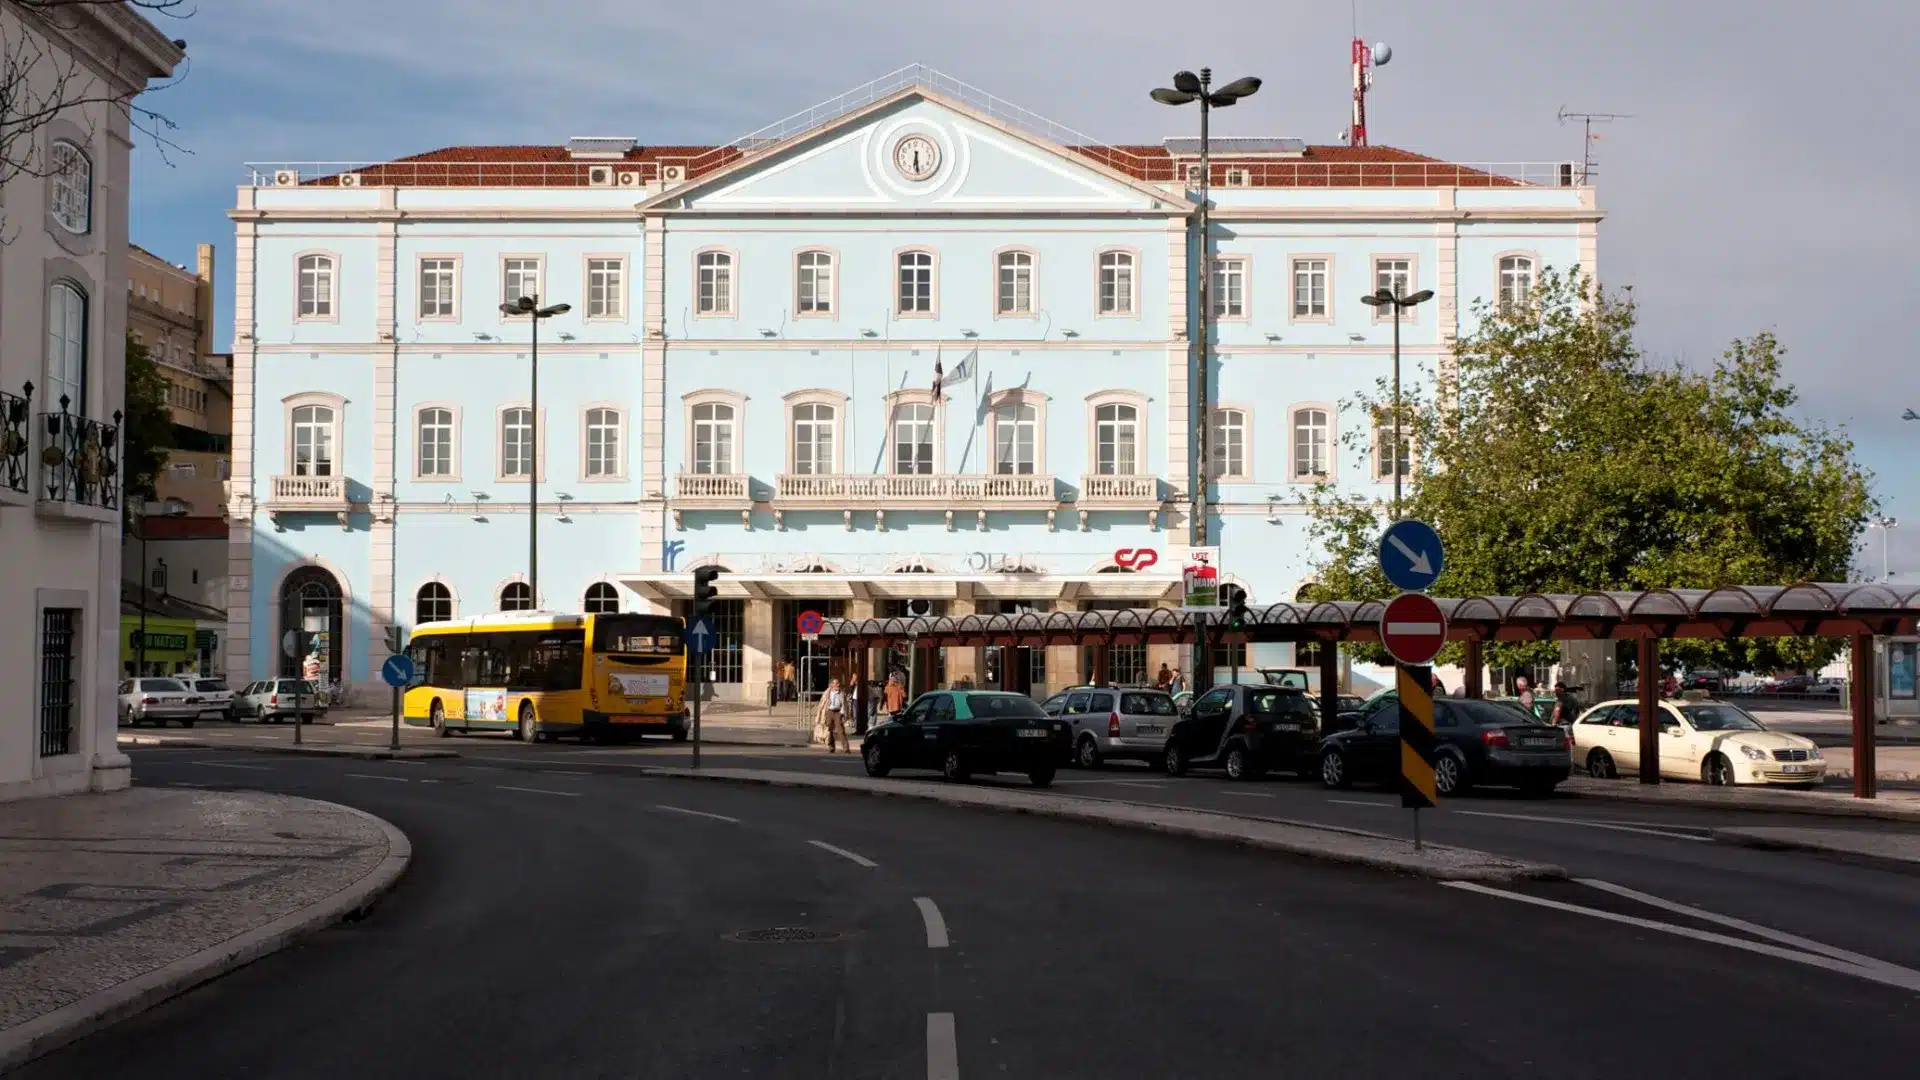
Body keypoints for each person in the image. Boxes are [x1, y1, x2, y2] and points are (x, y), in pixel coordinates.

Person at [817, 677, 848, 753]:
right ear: (832, 684)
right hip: (829, 712)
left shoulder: (842, 693)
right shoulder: (827, 693)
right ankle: (831, 747)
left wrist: (843, 712)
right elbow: (822, 703)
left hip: (838, 712)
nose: (838, 684)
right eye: (836, 683)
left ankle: (846, 748)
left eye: (838, 683)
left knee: (840, 730)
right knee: (829, 730)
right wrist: (820, 714)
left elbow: (845, 704)